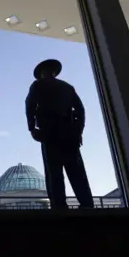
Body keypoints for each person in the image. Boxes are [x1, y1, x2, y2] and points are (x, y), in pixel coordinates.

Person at [25, 59, 94, 209]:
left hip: (49, 134)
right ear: (54, 72)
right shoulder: (67, 87)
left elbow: (30, 105)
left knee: (54, 173)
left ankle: (59, 207)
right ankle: (87, 204)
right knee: (76, 172)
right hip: (69, 134)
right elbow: (80, 110)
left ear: (42, 73)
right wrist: (78, 131)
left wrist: (32, 128)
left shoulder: (37, 85)